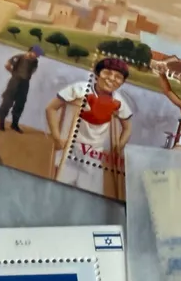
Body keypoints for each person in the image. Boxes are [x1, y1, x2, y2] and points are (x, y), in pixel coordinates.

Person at [46, 56, 132, 195]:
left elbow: (127, 128)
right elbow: (51, 108)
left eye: (118, 77)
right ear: (97, 74)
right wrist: (56, 137)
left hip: (94, 153)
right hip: (70, 147)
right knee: (60, 188)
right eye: (107, 73)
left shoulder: (119, 102)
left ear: (122, 82)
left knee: (89, 193)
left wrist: (118, 147)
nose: (111, 78)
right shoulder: (79, 89)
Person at [0, 44, 43, 132]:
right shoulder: (19, 57)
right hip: (15, 81)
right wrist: (14, 73)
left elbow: (33, 71)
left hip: (25, 83)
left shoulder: (35, 62)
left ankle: (14, 124)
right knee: (7, 101)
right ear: (31, 51)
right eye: (36, 54)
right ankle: (1, 122)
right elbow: (7, 65)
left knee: (20, 104)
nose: (37, 56)